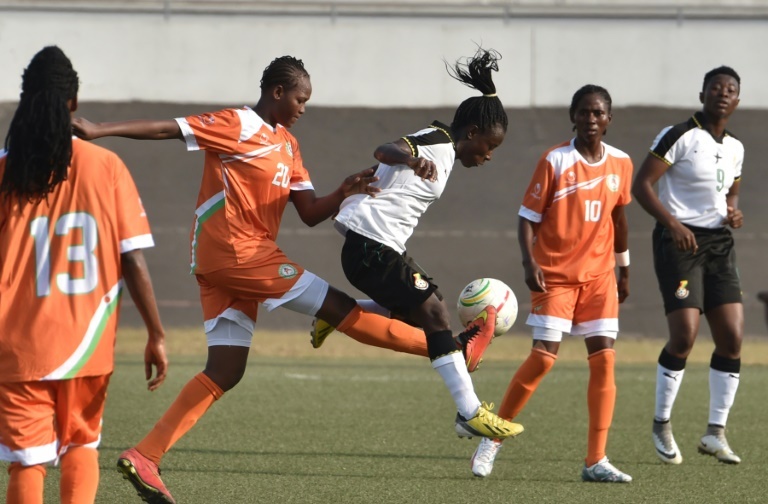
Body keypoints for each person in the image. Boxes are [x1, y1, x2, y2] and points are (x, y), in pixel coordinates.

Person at [72, 55, 521, 504]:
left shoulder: (289, 146)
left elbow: (308, 214)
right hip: (238, 253)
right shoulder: (236, 122)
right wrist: (100, 131)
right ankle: (451, 351)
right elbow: (168, 127)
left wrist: (344, 190)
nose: (305, 107)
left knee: (226, 369)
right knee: (339, 309)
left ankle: (146, 456)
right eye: (301, 98)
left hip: (229, 267)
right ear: (277, 93)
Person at [311, 47, 523, 439]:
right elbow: (384, 150)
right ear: (472, 133)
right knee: (435, 317)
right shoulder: (437, 140)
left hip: (380, 248)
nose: (489, 156)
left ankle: (335, 313)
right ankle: (470, 412)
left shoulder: (444, 153)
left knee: (426, 312)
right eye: (489, 147)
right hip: (370, 247)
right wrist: (409, 160)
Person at [0, 46, 169, 504]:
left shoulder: (4, 169)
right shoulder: (106, 166)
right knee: (80, 446)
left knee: (27, 461)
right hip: (86, 341)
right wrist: (155, 332)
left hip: (16, 344)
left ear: (26, 98)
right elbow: (132, 259)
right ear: (73, 102)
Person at [468, 84, 634, 483]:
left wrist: (623, 267)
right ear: (573, 116)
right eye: (584, 112)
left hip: (599, 277)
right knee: (543, 357)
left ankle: (596, 460)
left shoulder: (621, 163)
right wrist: (529, 263)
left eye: (598, 113)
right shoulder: (555, 160)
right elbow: (528, 217)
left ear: (609, 121)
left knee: (605, 359)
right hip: (555, 274)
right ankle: (493, 438)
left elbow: (619, 219)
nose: (591, 119)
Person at [632, 66, 744, 465]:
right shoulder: (679, 135)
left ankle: (715, 432)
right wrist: (673, 224)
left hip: (718, 244)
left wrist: (732, 211)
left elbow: (730, 190)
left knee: (731, 337)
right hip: (679, 242)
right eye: (716, 87)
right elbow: (641, 185)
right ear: (703, 94)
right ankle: (661, 423)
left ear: (737, 99)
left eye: (730, 89)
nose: (723, 93)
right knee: (685, 336)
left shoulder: (736, 147)